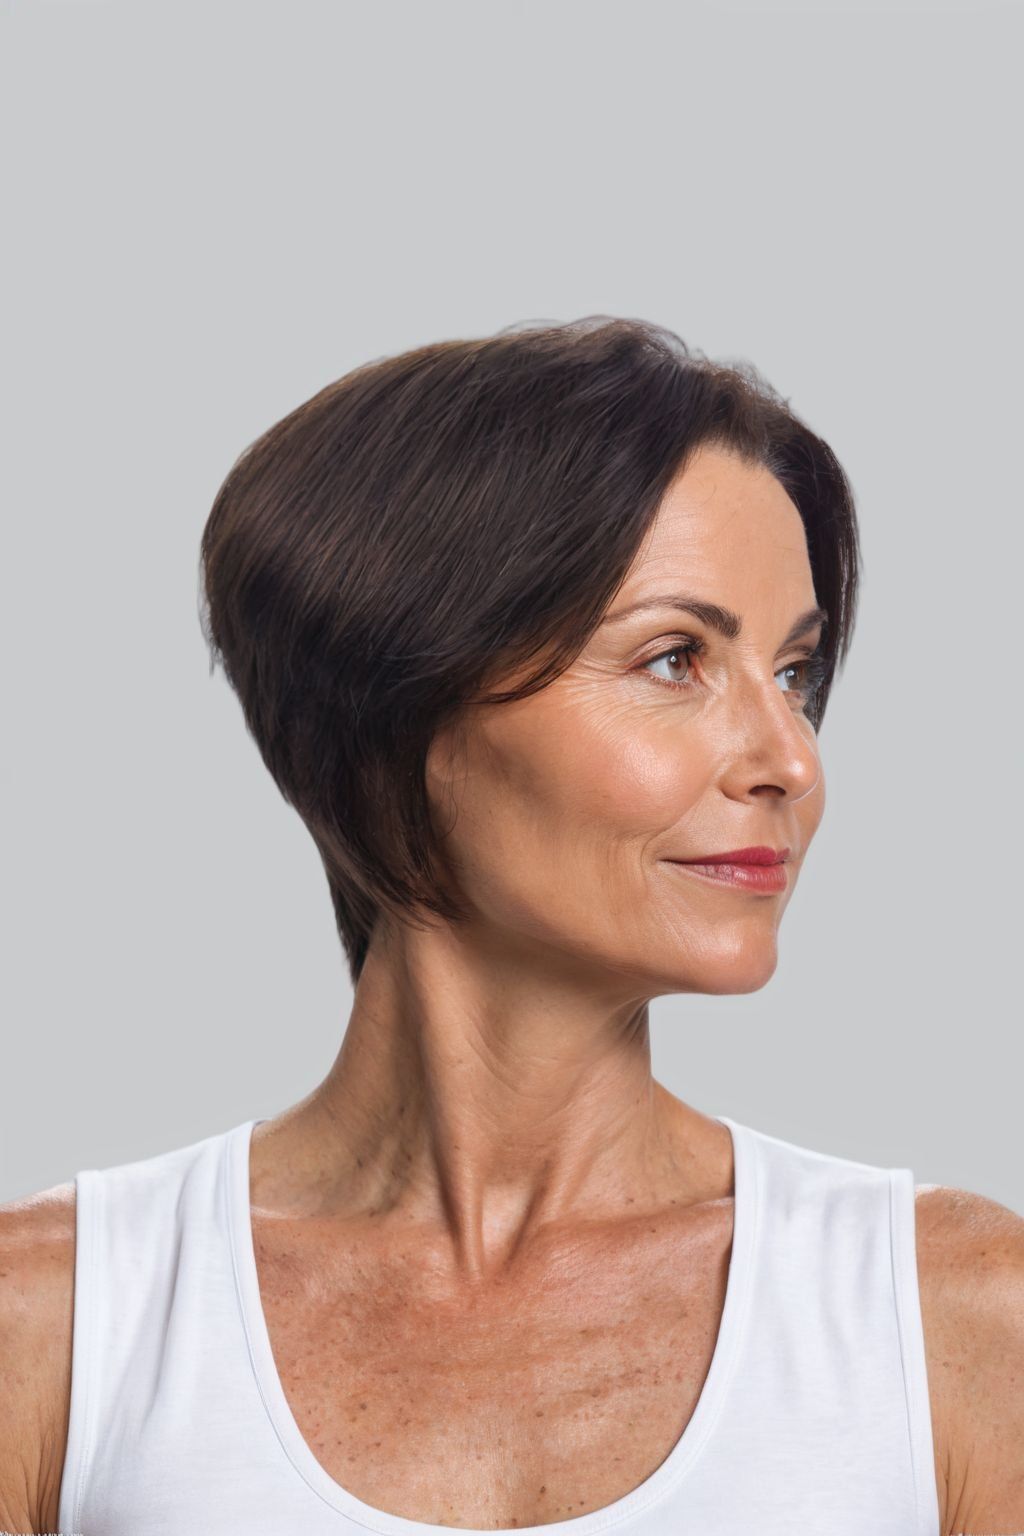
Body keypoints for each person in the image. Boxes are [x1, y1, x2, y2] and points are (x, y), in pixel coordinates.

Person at [2, 317, 1021, 1535]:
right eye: (674, 660)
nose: (790, 761)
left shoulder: (956, 1322)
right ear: (399, 709)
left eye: (793, 674)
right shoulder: (56, 1327)